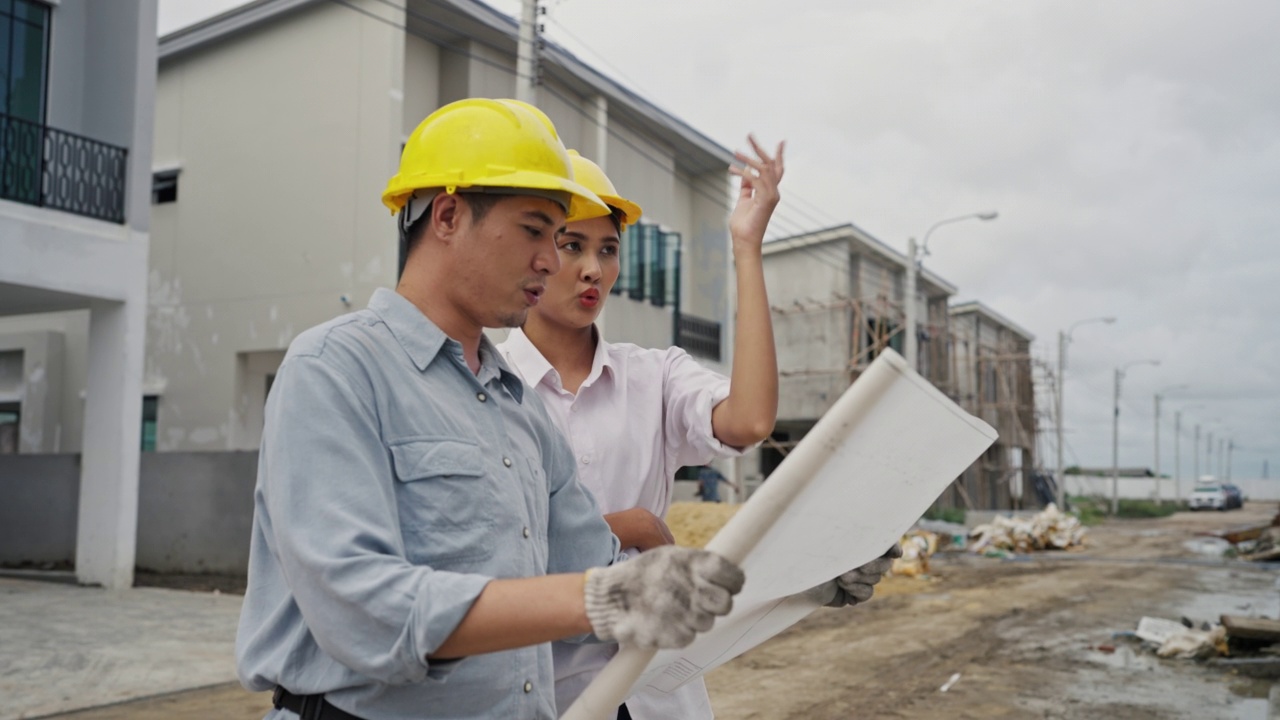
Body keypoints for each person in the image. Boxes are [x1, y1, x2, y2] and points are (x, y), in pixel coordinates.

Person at [234, 98, 747, 720]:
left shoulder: (518, 409)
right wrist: (602, 598)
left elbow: (612, 580)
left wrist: (798, 579)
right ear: (447, 215)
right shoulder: (338, 371)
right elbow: (362, 609)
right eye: (536, 231)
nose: (553, 262)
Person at [497, 144, 899, 720]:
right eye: (572, 246)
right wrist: (629, 527)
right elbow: (496, 551)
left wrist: (746, 248)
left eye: (608, 250)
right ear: (534, 252)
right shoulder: (489, 385)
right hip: (549, 694)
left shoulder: (653, 375)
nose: (593, 269)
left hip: (656, 693)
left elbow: (749, 421)